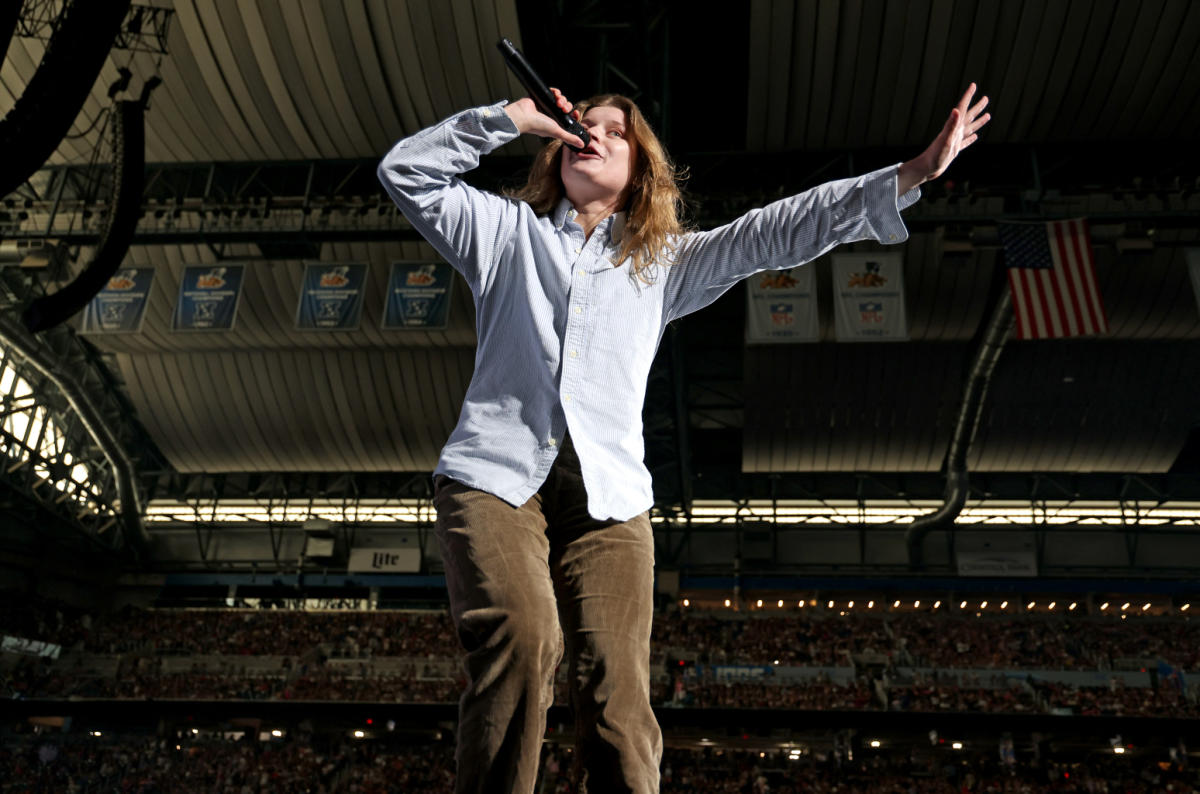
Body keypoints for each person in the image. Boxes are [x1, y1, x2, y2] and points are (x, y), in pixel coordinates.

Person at [378, 84, 990, 794]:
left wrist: (909, 174)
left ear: (642, 168)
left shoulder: (664, 261)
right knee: (525, 637)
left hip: (610, 503)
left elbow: (778, 228)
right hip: (494, 477)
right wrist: (507, 120)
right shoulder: (502, 231)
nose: (594, 134)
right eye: (582, 125)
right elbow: (405, 173)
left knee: (615, 694)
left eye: (617, 131)